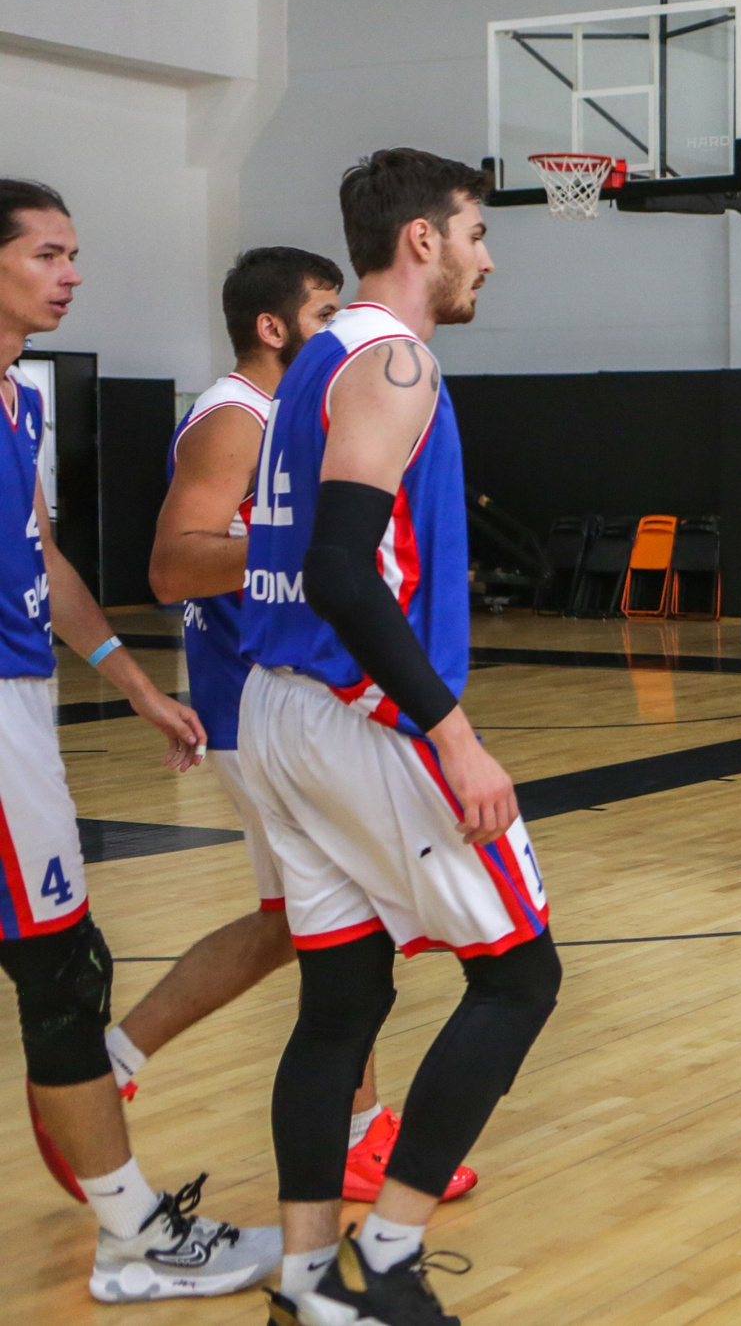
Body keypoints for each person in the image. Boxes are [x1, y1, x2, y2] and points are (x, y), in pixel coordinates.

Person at [240, 150, 558, 1324]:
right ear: (422, 238)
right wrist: (453, 734)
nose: (487, 258)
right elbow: (339, 570)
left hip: (276, 704)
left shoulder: (314, 363)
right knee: (520, 975)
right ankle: (387, 1258)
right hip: (356, 709)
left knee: (341, 997)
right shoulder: (394, 360)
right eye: (476, 232)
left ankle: (308, 1281)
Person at [110, 247, 477, 1209]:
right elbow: (171, 566)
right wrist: (303, 546)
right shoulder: (237, 415)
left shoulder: (309, 404)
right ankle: (349, 1132)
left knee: (308, 926)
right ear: (272, 327)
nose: (339, 326)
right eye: (321, 311)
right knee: (351, 931)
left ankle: (123, 1056)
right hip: (258, 697)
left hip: (287, 697)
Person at [0, 181, 280, 1302]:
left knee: (64, 965)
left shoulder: (20, 402)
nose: (70, 273)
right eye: (47, 254)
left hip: (27, 701)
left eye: (74, 253)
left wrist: (130, 682)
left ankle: (129, 1229)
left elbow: (43, 560)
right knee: (61, 968)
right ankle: (131, 1238)